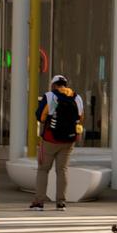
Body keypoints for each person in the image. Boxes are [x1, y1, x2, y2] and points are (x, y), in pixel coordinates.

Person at [29, 75, 82, 212]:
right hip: (69, 140)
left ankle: (39, 202)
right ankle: (61, 203)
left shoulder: (49, 96)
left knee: (43, 169)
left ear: (53, 85)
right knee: (62, 170)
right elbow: (81, 117)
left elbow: (40, 116)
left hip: (50, 139)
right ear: (65, 84)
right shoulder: (77, 97)